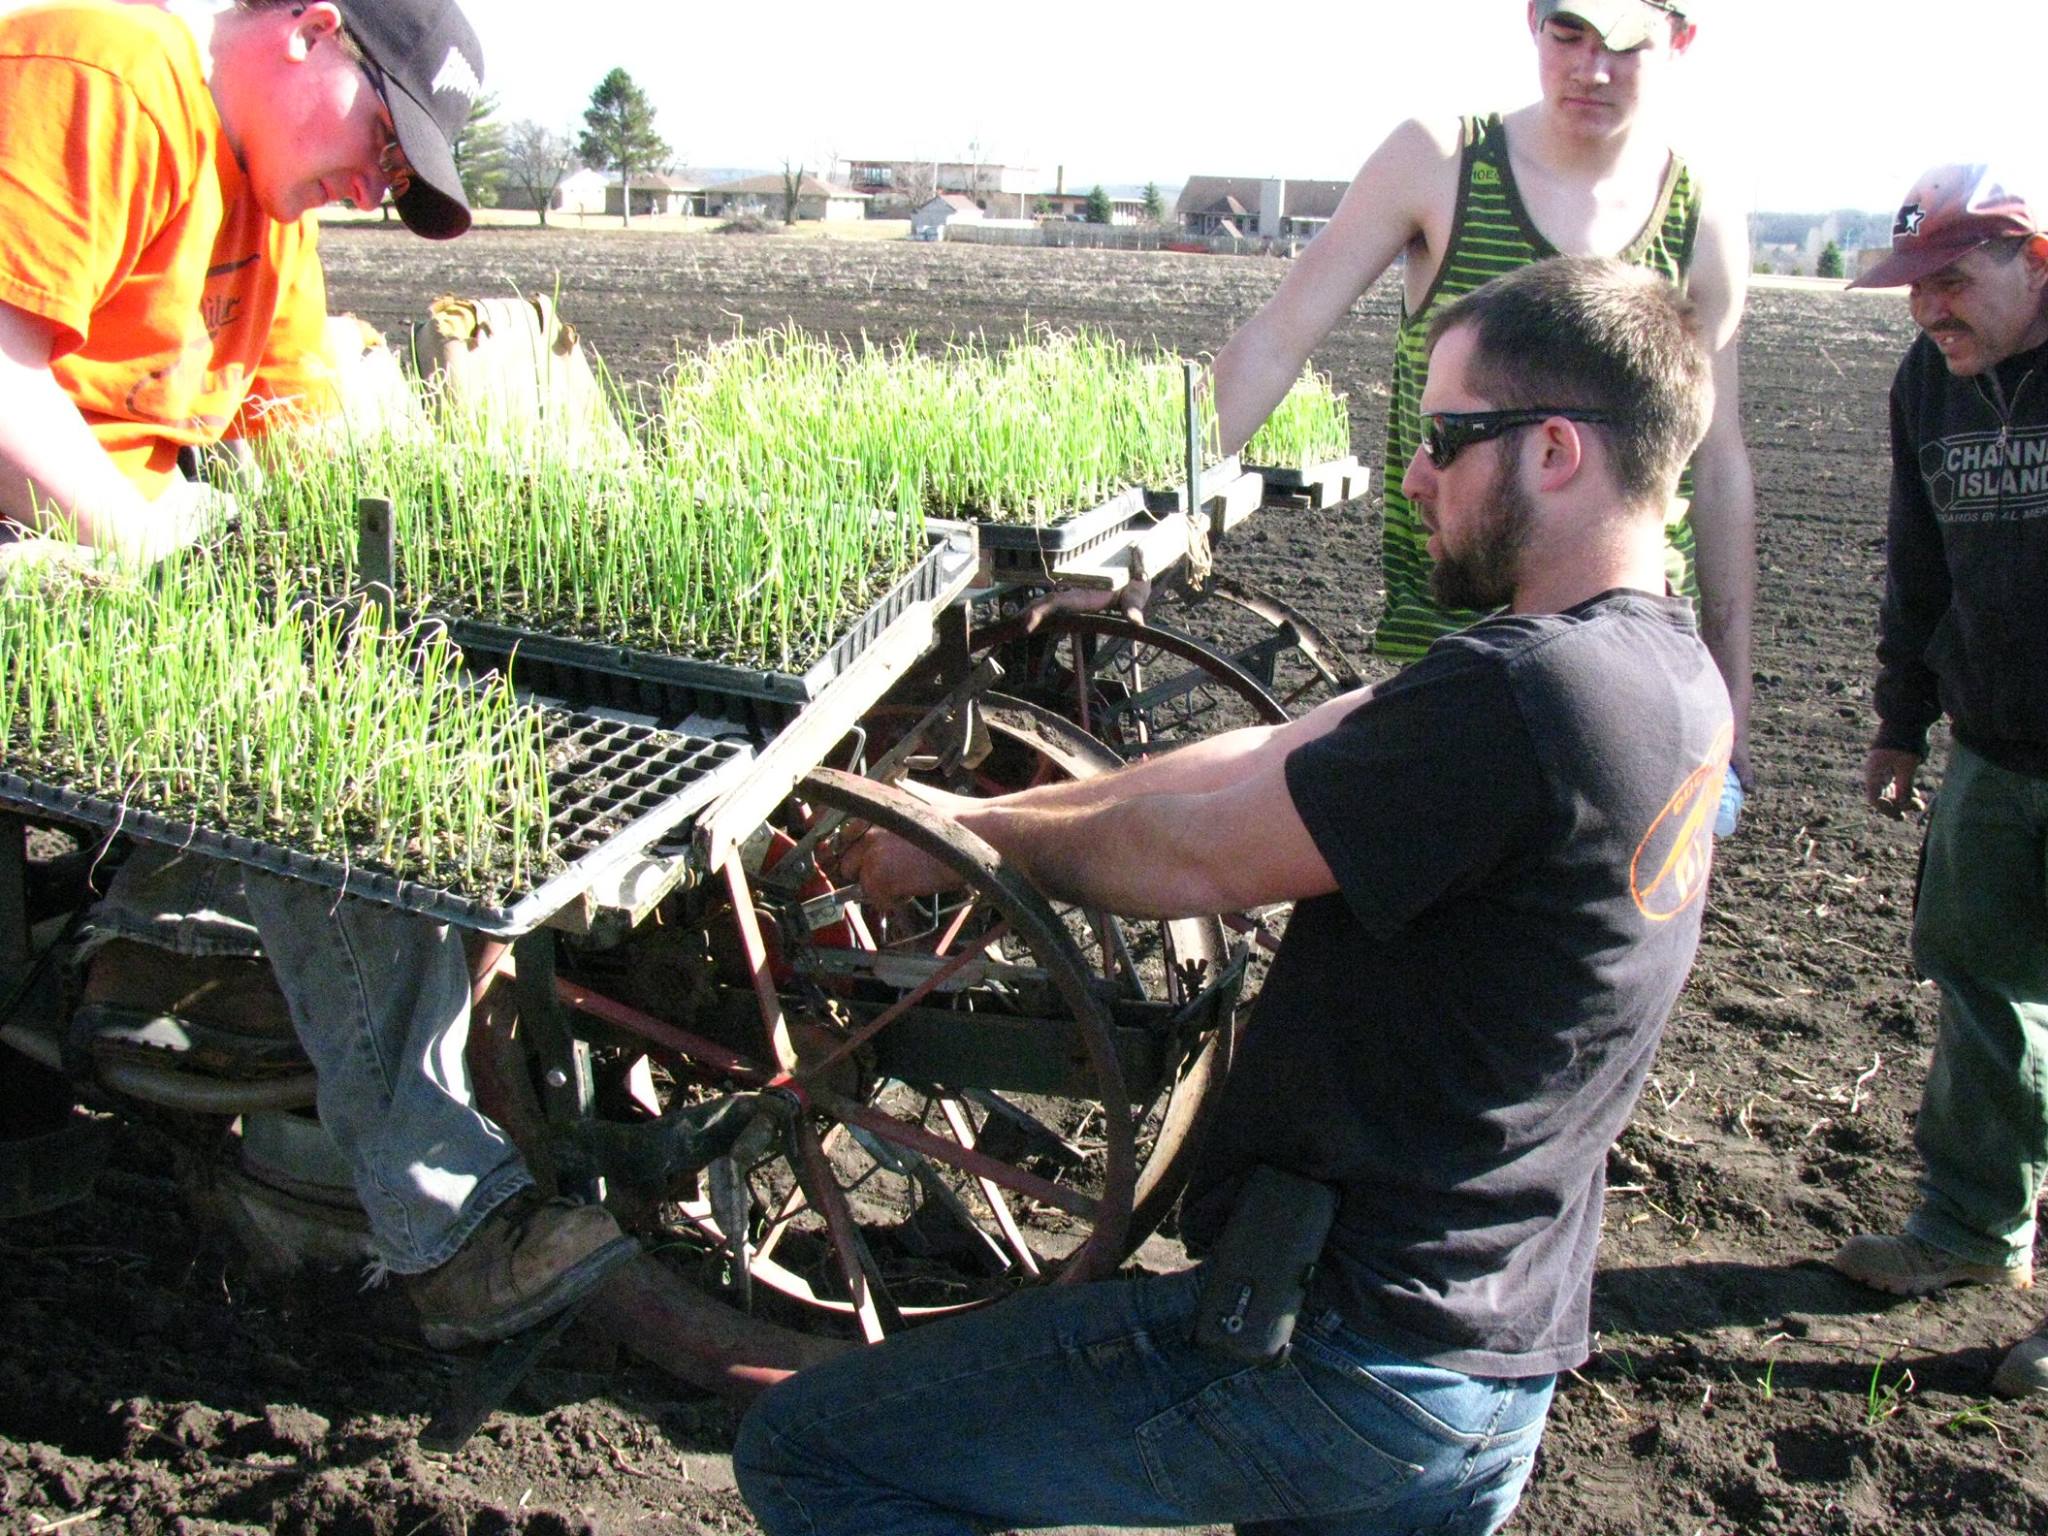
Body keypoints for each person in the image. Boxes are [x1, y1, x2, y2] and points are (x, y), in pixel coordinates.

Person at [733, 255, 1732, 1536]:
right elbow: (1270, 754)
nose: (1417, 475)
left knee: (812, 1455)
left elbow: (1197, 858)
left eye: (1442, 438)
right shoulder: (1654, 675)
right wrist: (977, 817)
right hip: (1492, 1364)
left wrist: (972, 849)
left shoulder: (1524, 699)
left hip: (1338, 1361)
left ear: (1549, 451)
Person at [0, 0, 634, 1346]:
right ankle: (447, 1231)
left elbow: (310, 442)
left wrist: (462, 583)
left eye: (403, 176)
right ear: (309, 28)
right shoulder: (111, 65)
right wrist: (177, 572)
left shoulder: (262, 212)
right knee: (309, 745)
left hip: (92, 528)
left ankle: (183, 975)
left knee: (386, 676)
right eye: (384, 141)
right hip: (33, 528)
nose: (377, 185)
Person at [1210, 0, 1757, 807]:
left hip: (1624, 660)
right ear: (1532, 21)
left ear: (1681, 40)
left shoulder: (1699, 214)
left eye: (1626, 45)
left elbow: (1715, 463)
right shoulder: (1438, 161)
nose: (1591, 69)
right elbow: (1277, 339)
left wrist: (1731, 690)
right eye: (1568, 34)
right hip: (1454, 638)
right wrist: (1164, 510)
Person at [1826, 164, 2048, 1400]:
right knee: (1982, 996)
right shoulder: (1928, 381)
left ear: (2036, 258)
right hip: (1992, 746)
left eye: (1952, 280)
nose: (1929, 310)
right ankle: (1969, 1232)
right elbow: (1916, 555)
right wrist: (1898, 723)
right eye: (1914, 287)